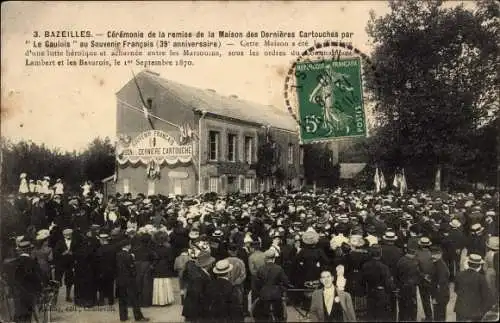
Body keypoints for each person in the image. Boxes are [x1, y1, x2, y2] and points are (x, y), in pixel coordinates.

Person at [116, 239, 149, 322]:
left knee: (122, 299)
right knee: (134, 299)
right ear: (127, 246)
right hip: (129, 280)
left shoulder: (118, 255)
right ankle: (138, 317)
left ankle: (123, 317)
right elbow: (132, 268)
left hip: (120, 279)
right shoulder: (129, 255)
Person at [361, 244, 395, 322]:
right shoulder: (384, 267)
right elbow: (388, 284)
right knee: (381, 315)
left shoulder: (365, 266)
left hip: (370, 291)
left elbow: (363, 281)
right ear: (380, 253)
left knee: (371, 315)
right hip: (382, 294)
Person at [454, 254, 494, 321]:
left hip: (460, 309)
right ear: (479, 266)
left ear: (468, 263)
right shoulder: (481, 278)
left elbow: (456, 290)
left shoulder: (459, 275)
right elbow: (486, 296)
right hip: (475, 311)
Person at [253, 249, 289, 322]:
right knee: (279, 315)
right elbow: (285, 282)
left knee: (262, 315)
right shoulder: (279, 268)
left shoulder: (261, 269)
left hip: (264, 295)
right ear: (274, 258)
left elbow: (257, 284)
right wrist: (282, 288)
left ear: (265, 258)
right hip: (276, 294)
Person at [13, 240, 42, 323]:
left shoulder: (14, 262)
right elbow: (37, 278)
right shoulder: (32, 262)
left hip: (17, 292)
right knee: (28, 315)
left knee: (19, 313)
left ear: (20, 251)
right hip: (29, 292)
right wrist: (40, 290)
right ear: (29, 250)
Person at [395, 246, 421, 321]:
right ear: (413, 253)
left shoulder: (400, 261)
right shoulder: (414, 262)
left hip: (402, 286)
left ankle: (402, 319)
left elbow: (397, 274)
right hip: (411, 287)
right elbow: (417, 275)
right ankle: (412, 319)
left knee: (402, 305)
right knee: (412, 305)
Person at [151, 232, 176, 306]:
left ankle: (158, 300)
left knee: (157, 282)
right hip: (165, 265)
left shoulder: (154, 248)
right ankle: (166, 299)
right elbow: (171, 259)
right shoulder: (168, 248)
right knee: (165, 282)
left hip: (157, 265)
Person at [53, 228, 75, 302]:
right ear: (63, 235)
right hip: (60, 264)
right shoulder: (59, 242)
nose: (68, 236)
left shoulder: (75, 242)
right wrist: (63, 253)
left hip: (70, 264)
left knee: (69, 281)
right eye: (66, 235)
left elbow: (78, 251)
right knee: (57, 281)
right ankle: (55, 298)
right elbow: (55, 253)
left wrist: (73, 253)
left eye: (69, 235)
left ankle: (68, 296)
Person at [430, 245, 450, 321]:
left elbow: (441, 285)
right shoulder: (438, 263)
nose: (432, 256)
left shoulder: (440, 267)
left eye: (435, 254)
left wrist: (436, 298)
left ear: (440, 254)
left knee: (439, 317)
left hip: (440, 297)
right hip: (441, 296)